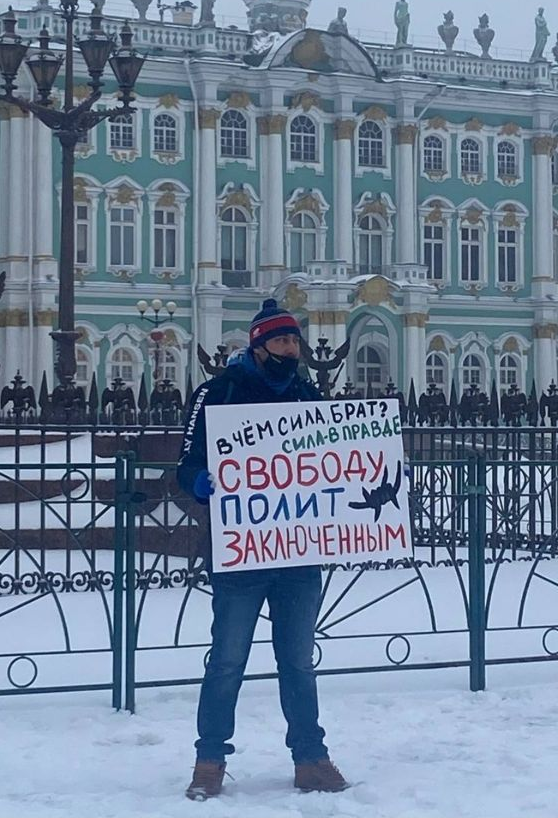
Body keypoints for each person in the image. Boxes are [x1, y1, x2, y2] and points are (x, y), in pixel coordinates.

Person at [176, 299, 349, 801]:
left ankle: (310, 758)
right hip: (242, 552)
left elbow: (332, 459)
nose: (291, 348)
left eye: (294, 340)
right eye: (281, 340)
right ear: (258, 346)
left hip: (297, 551)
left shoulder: (306, 394)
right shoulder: (219, 393)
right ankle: (209, 761)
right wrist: (200, 482)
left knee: (298, 661)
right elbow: (186, 464)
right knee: (227, 660)